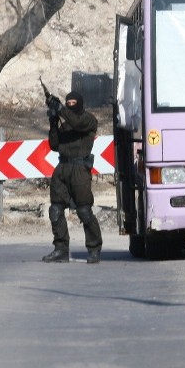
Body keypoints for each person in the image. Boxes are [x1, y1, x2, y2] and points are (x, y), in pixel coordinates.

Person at [42, 91, 103, 264]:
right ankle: (61, 249)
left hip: (79, 170)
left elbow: (76, 122)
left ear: (80, 103)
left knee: (84, 211)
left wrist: (60, 108)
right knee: (55, 210)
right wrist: (53, 121)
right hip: (62, 168)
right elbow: (54, 145)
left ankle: (94, 248)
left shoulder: (88, 120)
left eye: (73, 102)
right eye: (68, 102)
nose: (70, 105)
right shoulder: (66, 125)